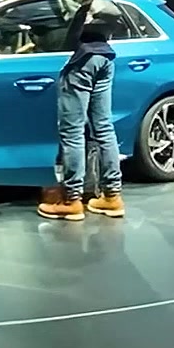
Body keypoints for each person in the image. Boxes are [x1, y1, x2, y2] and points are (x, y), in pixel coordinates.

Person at [39, 18, 125, 221]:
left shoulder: (54, 7)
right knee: (104, 128)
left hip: (82, 58)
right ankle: (112, 196)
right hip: (105, 55)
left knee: (72, 132)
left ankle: (72, 200)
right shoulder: (97, 7)